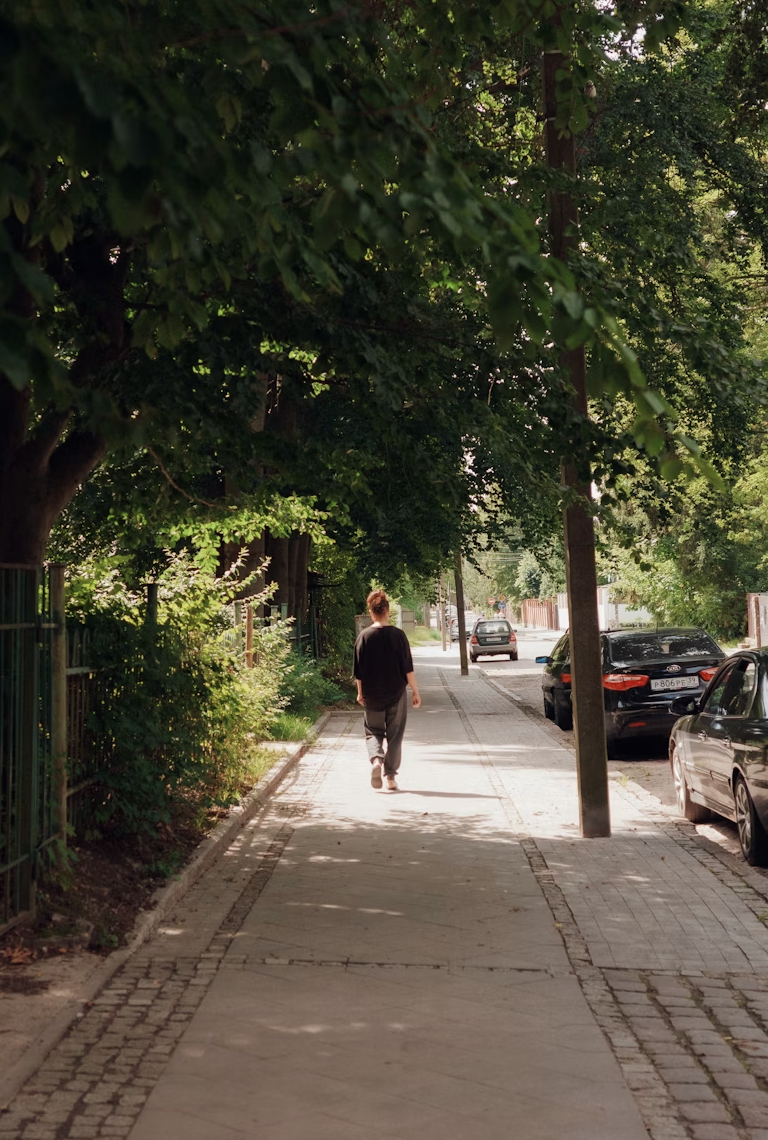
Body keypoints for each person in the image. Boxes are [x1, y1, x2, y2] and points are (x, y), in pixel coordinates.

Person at [353, 589, 421, 791]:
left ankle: (376, 761)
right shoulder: (399, 636)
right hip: (396, 694)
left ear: (371, 612)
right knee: (395, 735)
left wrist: (360, 692)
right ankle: (390, 778)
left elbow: (359, 671)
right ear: (387, 611)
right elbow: (407, 668)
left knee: (373, 731)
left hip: (372, 694)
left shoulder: (364, 637)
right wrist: (415, 691)